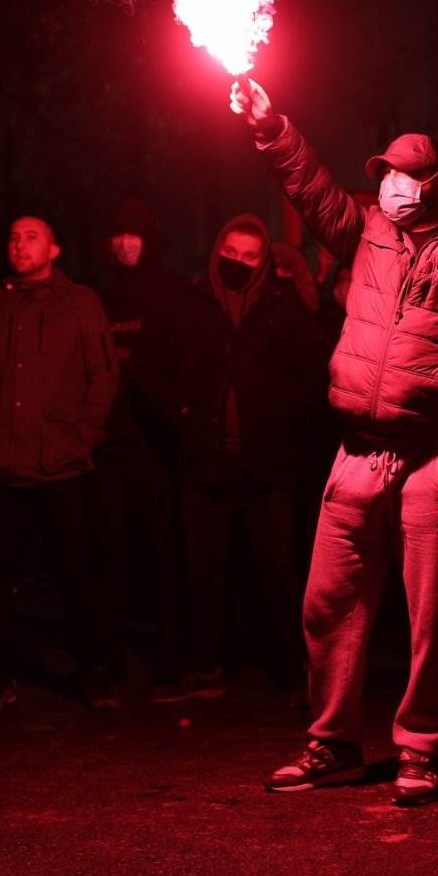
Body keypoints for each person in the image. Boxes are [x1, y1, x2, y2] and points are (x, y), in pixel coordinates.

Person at [230, 77, 438, 806]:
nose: (394, 189)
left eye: (406, 177)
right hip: (356, 449)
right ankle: (332, 741)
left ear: (437, 183)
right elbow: (308, 185)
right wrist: (271, 122)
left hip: (432, 451)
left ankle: (420, 750)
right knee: (327, 602)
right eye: (387, 177)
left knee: (429, 614)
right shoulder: (366, 230)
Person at [134, 213, 326, 700]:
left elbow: (312, 372)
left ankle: (285, 663)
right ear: (217, 250)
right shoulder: (189, 305)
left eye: (249, 256)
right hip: (204, 458)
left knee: (275, 566)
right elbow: (147, 368)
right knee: (204, 569)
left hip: (267, 460)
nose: (237, 263)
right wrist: (183, 411)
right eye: (231, 253)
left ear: (263, 263)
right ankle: (206, 663)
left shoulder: (282, 309)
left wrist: (280, 414)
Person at [0, 215, 119, 712]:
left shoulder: (80, 303)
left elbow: (102, 374)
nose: (19, 244)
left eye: (31, 237)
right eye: (14, 236)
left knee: (74, 572)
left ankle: (94, 674)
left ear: (55, 248)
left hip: (59, 463)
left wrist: (82, 436)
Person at [95, 198, 189, 701]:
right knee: (108, 554)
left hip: (157, 444)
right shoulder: (99, 298)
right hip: (108, 445)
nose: (124, 243)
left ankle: (170, 661)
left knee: (162, 555)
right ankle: (109, 662)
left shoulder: (172, 293)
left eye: (133, 235)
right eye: (116, 235)